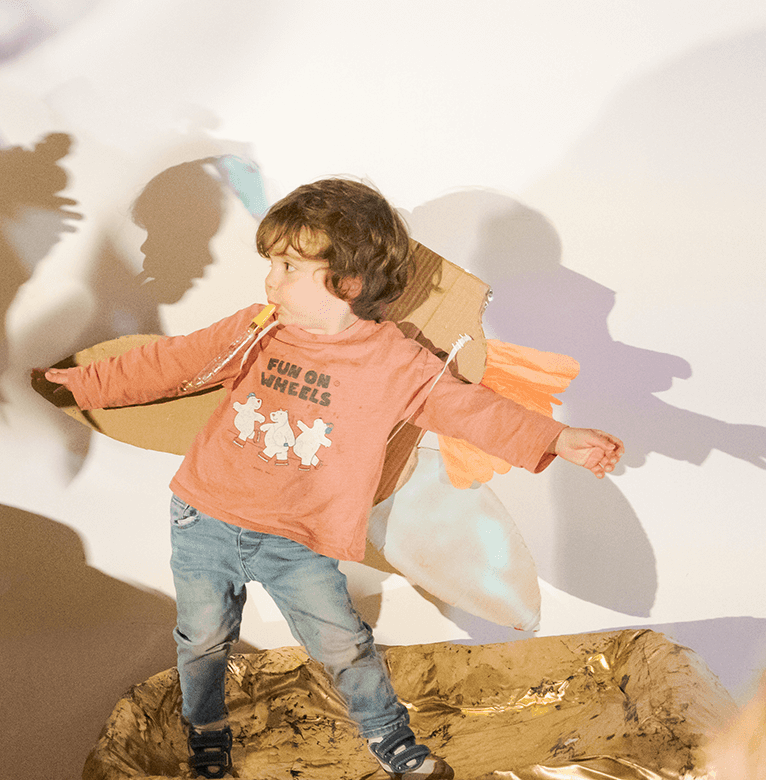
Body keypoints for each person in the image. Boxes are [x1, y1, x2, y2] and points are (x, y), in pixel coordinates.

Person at [36, 178, 622, 779]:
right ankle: (207, 734)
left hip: (297, 538)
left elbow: (471, 409)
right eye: (272, 263)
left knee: (345, 646)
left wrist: (558, 439)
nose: (271, 280)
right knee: (202, 642)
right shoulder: (257, 328)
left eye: (289, 266)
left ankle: (393, 742)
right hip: (204, 516)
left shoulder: (397, 361)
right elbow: (174, 362)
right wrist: (83, 385)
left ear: (349, 283)